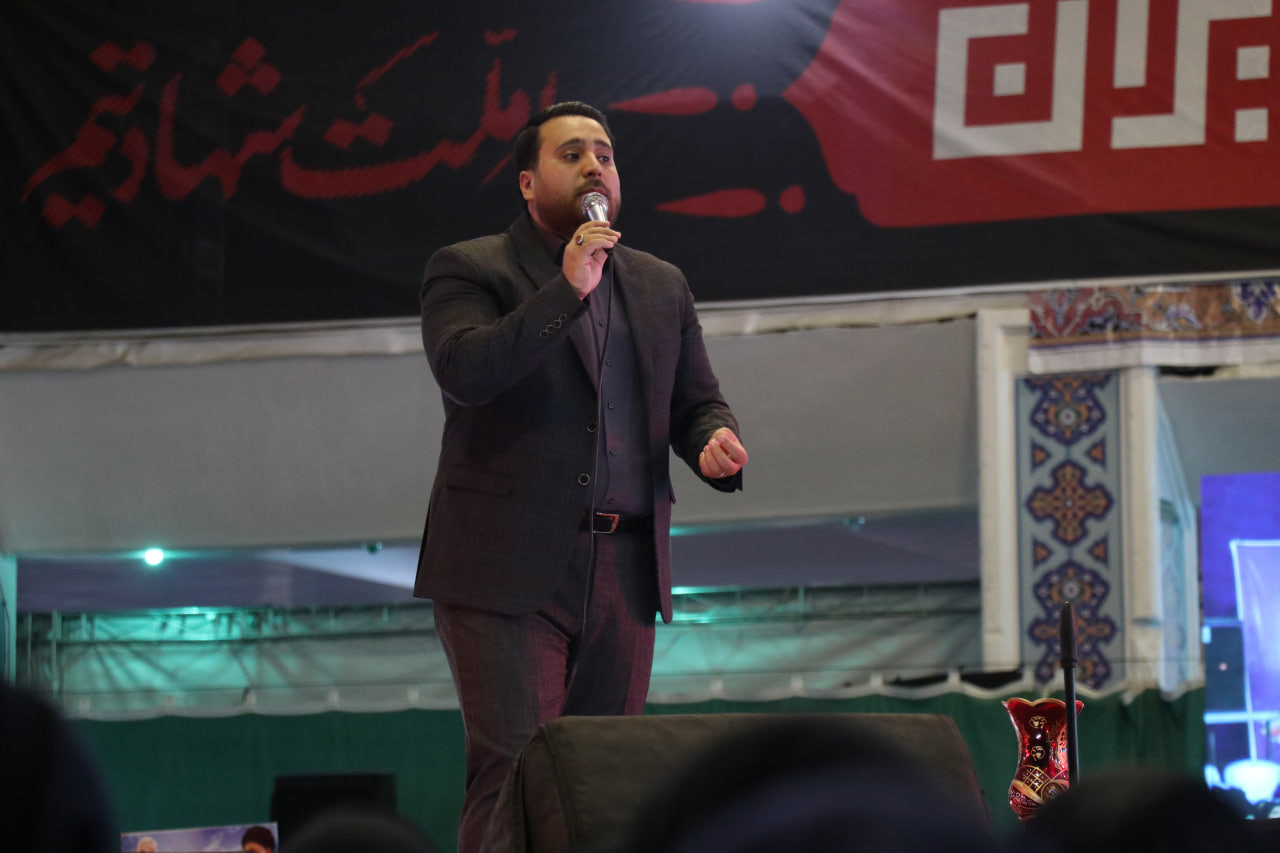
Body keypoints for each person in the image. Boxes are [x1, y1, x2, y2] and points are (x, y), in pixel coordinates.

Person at [414, 100, 748, 853]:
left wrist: (713, 439)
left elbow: (696, 401)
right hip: (504, 564)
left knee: (605, 778)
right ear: (528, 183)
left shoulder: (660, 284)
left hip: (624, 567)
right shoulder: (469, 267)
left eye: (605, 153)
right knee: (517, 773)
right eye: (572, 154)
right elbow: (466, 372)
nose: (595, 165)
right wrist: (567, 290)